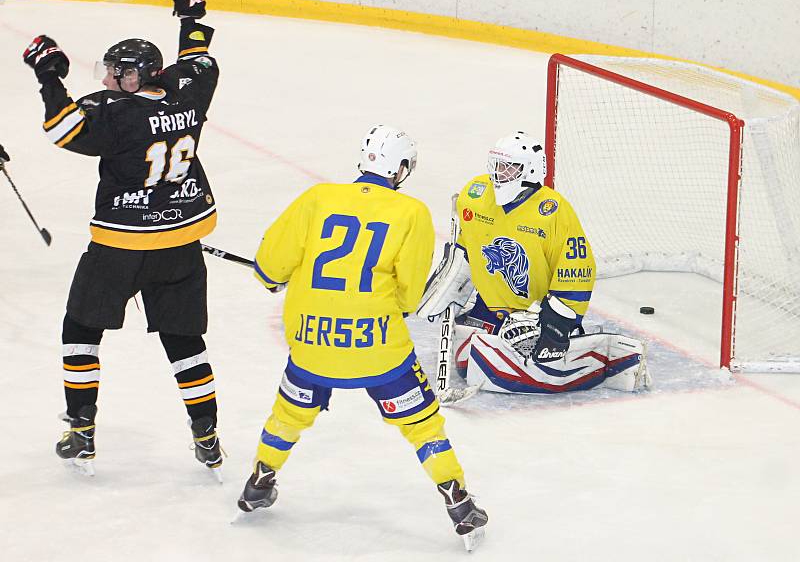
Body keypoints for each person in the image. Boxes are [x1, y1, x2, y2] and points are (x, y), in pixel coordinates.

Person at [236, 125, 488, 551]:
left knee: (289, 415)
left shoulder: (316, 198)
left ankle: (260, 480)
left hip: (312, 346)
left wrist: (278, 278)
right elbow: (408, 296)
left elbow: (268, 267)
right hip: (379, 351)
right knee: (422, 424)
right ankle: (458, 501)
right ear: (402, 168)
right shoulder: (411, 213)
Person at [23, 0, 224, 475]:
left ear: (139, 75)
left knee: (80, 329)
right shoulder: (187, 90)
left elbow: (63, 129)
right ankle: (207, 435)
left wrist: (49, 74)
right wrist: (187, 2)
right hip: (180, 243)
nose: (110, 79)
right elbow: (197, 48)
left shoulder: (117, 114)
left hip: (120, 246)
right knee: (185, 343)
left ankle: (82, 430)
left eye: (118, 72)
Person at [418, 131, 650, 394]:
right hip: (489, 308)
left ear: (528, 171)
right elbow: (467, 249)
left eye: (507, 167)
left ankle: (604, 357)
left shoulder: (552, 210)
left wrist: (557, 323)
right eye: (496, 165)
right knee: (470, 355)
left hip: (535, 313)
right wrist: (453, 284)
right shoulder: (476, 196)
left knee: (523, 366)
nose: (498, 174)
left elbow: (577, 270)